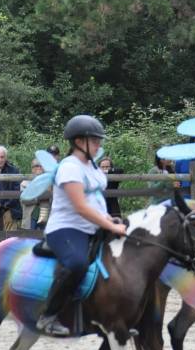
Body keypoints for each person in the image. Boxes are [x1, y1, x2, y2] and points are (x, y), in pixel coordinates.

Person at [36, 115, 127, 336]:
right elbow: (81, 207)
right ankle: (48, 316)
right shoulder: (69, 167)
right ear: (79, 142)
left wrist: (109, 218)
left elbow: (95, 200)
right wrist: (111, 226)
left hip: (92, 226)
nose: (99, 145)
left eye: (99, 141)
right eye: (95, 141)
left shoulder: (92, 166)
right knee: (77, 264)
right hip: (67, 228)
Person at [0, 145, 22, 232]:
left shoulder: (13, 171)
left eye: (2, 157)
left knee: (9, 238)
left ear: (6, 158)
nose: (0, 160)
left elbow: (16, 192)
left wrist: (3, 205)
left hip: (9, 208)